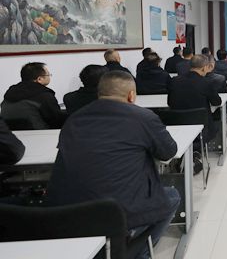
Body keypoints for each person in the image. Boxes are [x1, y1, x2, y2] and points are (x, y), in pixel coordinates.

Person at [47, 71, 179, 258]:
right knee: (172, 196)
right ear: (131, 95)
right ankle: (137, 253)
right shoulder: (143, 117)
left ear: (99, 93)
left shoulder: (74, 119)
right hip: (118, 213)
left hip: (68, 213)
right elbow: (168, 152)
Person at [168, 55, 222, 148]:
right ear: (204, 67)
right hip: (200, 124)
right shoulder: (206, 82)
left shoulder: (174, 81)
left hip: (177, 122)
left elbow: (170, 102)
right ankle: (198, 149)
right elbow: (217, 102)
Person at [1, 62, 66, 129]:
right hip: (41, 134)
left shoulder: (9, 95)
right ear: (39, 79)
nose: (49, 76)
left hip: (10, 134)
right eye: (48, 75)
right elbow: (57, 120)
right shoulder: (44, 95)